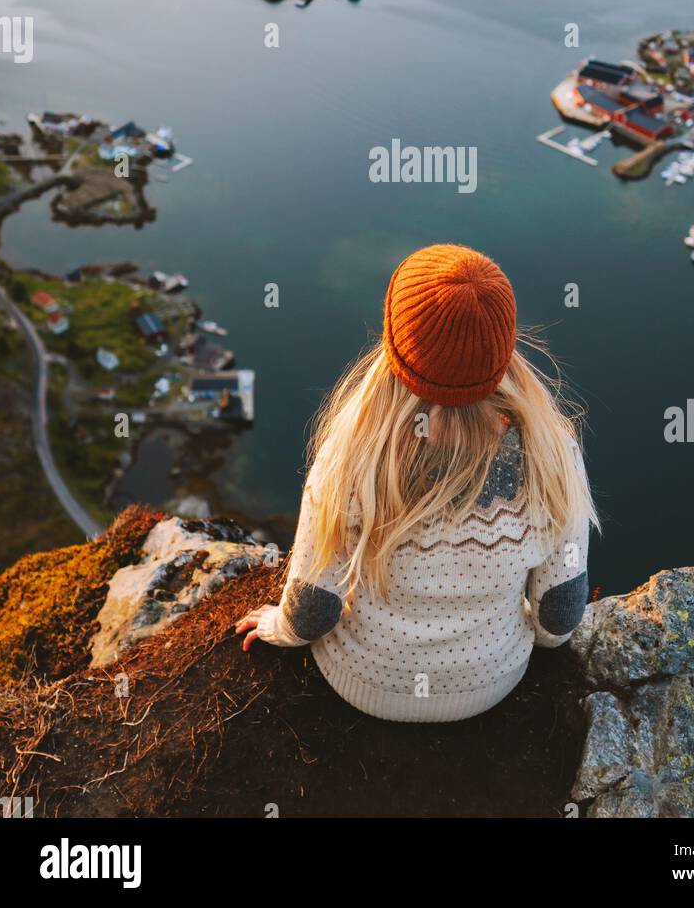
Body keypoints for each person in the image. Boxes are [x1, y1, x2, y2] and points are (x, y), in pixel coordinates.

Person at [236, 243, 598, 722]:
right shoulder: (552, 455)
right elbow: (558, 616)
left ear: (394, 340)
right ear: (503, 345)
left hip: (362, 681)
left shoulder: (350, 457)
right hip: (492, 682)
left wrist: (277, 628)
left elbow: (313, 613)